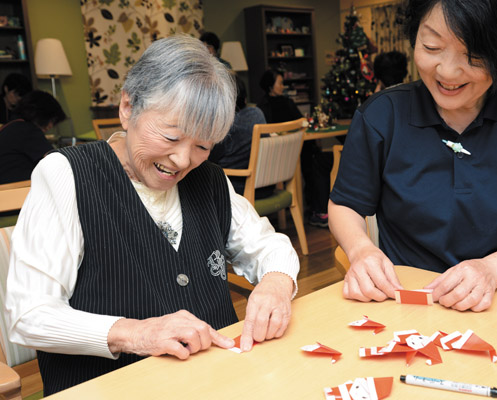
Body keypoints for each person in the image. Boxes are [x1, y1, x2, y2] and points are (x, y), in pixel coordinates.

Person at [5, 35, 299, 395]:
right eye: (171, 137)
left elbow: (270, 247)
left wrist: (275, 285)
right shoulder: (66, 175)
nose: (183, 161)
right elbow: (28, 315)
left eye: (203, 146)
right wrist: (137, 333)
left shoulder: (210, 180)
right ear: (128, 107)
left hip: (220, 384)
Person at [329, 0, 497, 311]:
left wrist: (492, 270)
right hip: (404, 303)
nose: (448, 72)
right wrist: (360, 250)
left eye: (474, 55)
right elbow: (346, 205)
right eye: (432, 46)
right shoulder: (383, 115)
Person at [257, 69, 331, 227]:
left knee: (314, 158)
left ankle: (316, 208)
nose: (283, 86)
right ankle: (316, 209)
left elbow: (301, 122)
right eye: (280, 83)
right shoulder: (262, 107)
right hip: (277, 152)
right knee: (311, 159)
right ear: (270, 86)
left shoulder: (287, 102)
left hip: (296, 148)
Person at [209, 74, 272, 198]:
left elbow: (210, 160)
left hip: (237, 190)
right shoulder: (257, 113)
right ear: (244, 98)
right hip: (267, 186)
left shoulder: (226, 125)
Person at [0, 90, 66, 185]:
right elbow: (55, 161)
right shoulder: (28, 130)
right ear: (42, 114)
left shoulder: (11, 126)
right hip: (15, 191)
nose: (51, 126)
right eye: (51, 120)